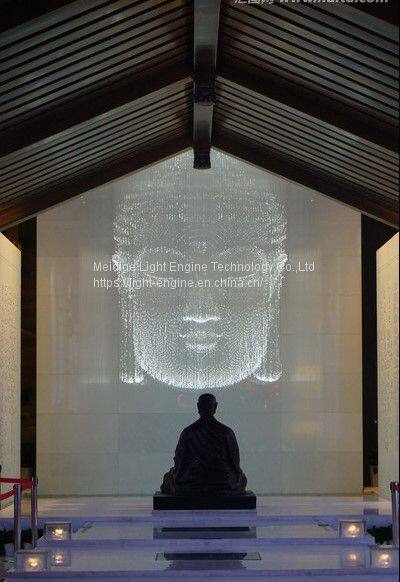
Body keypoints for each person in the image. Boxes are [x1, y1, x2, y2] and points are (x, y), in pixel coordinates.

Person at [161, 393, 247, 496]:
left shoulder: (188, 432)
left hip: (192, 482)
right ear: (215, 407)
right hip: (223, 482)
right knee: (241, 478)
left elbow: (179, 461)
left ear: (198, 407)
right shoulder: (227, 432)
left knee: (169, 477)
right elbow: (235, 463)